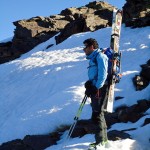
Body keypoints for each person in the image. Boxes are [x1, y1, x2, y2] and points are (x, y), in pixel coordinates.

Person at [83, 38, 108, 150]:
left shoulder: (100, 56)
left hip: (99, 89)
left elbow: (103, 74)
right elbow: (95, 75)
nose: (84, 49)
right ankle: (103, 140)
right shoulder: (94, 58)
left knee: (97, 115)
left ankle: (100, 142)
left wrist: (95, 87)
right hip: (96, 89)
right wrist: (89, 83)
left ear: (91, 46)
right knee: (98, 114)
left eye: (85, 47)